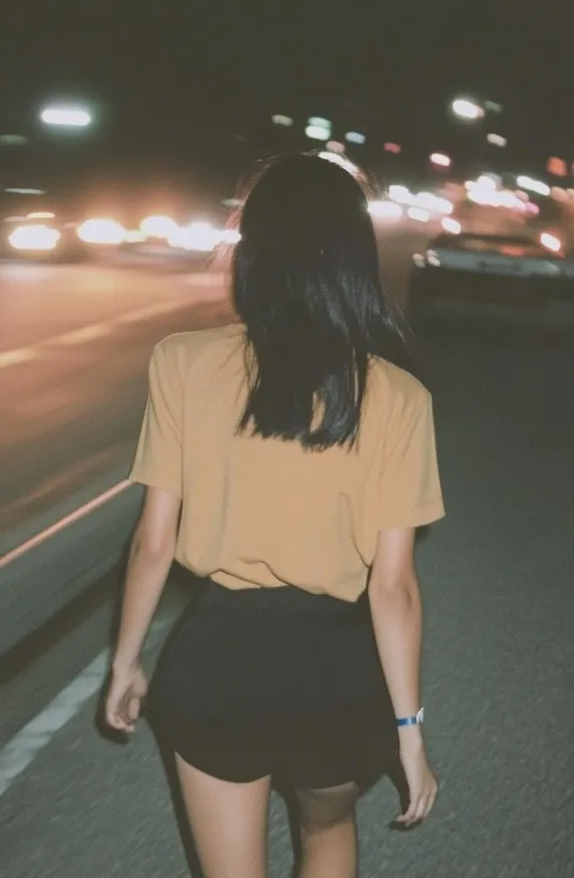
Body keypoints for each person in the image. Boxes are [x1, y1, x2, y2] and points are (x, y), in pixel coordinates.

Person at [105, 152, 445, 878]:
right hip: (336, 668)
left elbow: (153, 543)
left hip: (220, 658)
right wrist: (409, 732)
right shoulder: (399, 399)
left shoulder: (183, 362)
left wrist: (126, 662)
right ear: (354, 257)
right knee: (326, 833)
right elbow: (394, 588)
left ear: (252, 252)